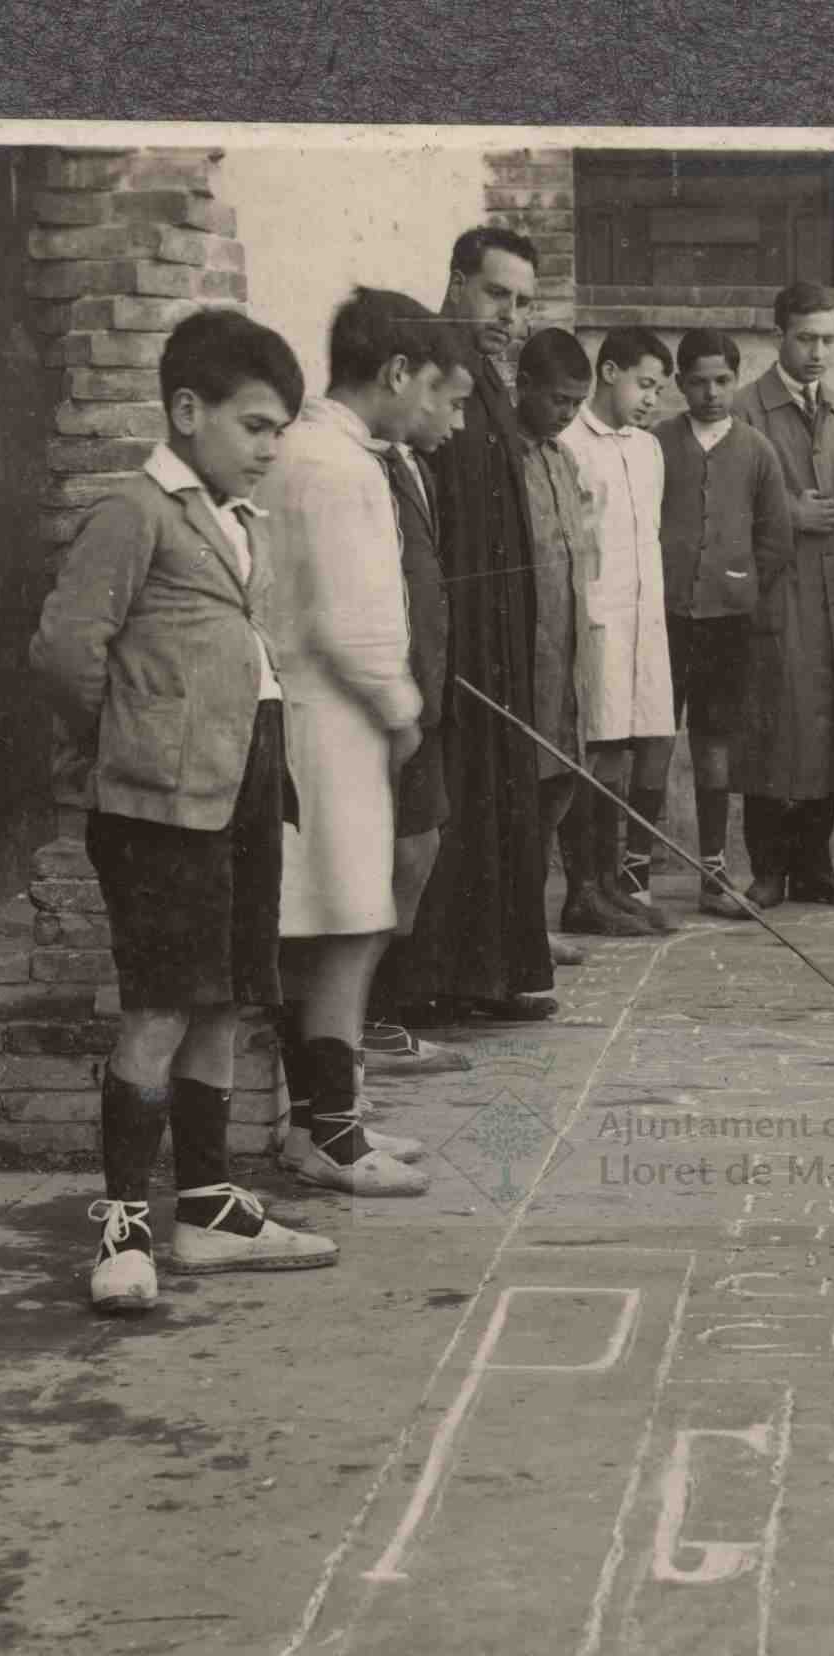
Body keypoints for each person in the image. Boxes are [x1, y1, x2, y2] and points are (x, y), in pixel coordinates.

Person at [31, 308, 337, 1314]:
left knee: (223, 999)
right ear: (187, 410)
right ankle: (122, 1231)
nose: (267, 449)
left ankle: (207, 1211)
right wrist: (124, 749)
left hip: (241, 788)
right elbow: (65, 653)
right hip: (159, 808)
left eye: (278, 431)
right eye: (254, 426)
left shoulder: (234, 520)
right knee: (158, 1007)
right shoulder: (134, 514)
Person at [253, 288, 473, 1203]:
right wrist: (400, 706)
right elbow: (352, 623)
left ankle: (318, 1122)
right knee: (347, 927)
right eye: (441, 393)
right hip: (333, 721)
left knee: (327, 927)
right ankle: (333, 1136)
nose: (446, 415)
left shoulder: (313, 452)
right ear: (397, 373)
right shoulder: (337, 468)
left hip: (312, 718)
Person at [375, 226, 559, 1027]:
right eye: (495, 294)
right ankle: (427, 982)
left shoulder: (487, 380)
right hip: (453, 637)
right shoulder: (431, 373)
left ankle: (484, 973)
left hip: (497, 633)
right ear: (456, 282)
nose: (508, 316)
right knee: (448, 802)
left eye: (520, 302)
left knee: (494, 793)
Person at [732, 282, 834, 911]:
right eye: (806, 338)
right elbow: (721, 507)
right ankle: (768, 869)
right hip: (777, 594)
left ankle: (816, 868)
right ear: (779, 337)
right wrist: (787, 514)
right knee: (771, 728)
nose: (818, 352)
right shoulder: (744, 409)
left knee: (829, 730)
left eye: (829, 340)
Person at [357, 326, 477, 1087]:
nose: (455, 422)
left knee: (418, 849)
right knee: (394, 856)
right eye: (449, 402)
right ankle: (363, 1023)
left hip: (422, 699)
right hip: (388, 706)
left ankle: (381, 1013)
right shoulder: (364, 469)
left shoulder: (414, 467)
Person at [658, 327, 795, 920]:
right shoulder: (657, 443)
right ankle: (634, 872)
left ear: (736, 380)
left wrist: (740, 586)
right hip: (662, 621)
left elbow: (776, 539)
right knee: (652, 741)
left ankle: (712, 872)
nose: (711, 393)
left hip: (726, 626)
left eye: (722, 381)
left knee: (714, 745)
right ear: (679, 383)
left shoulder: (757, 450)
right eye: (698, 382)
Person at [558, 326, 680, 934]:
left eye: (658, 389)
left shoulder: (648, 448)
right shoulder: (569, 444)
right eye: (644, 384)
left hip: (643, 618)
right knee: (597, 747)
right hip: (597, 618)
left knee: (639, 742)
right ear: (609, 373)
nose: (652, 398)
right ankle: (584, 891)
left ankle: (613, 885)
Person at [509, 328, 612, 942]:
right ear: (523, 386)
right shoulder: (503, 460)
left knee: (559, 789)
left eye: (577, 403)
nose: (568, 414)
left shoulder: (562, 459)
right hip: (526, 661)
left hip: (569, 659)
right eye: (558, 400)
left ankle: (534, 923)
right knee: (519, 798)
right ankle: (520, 930)